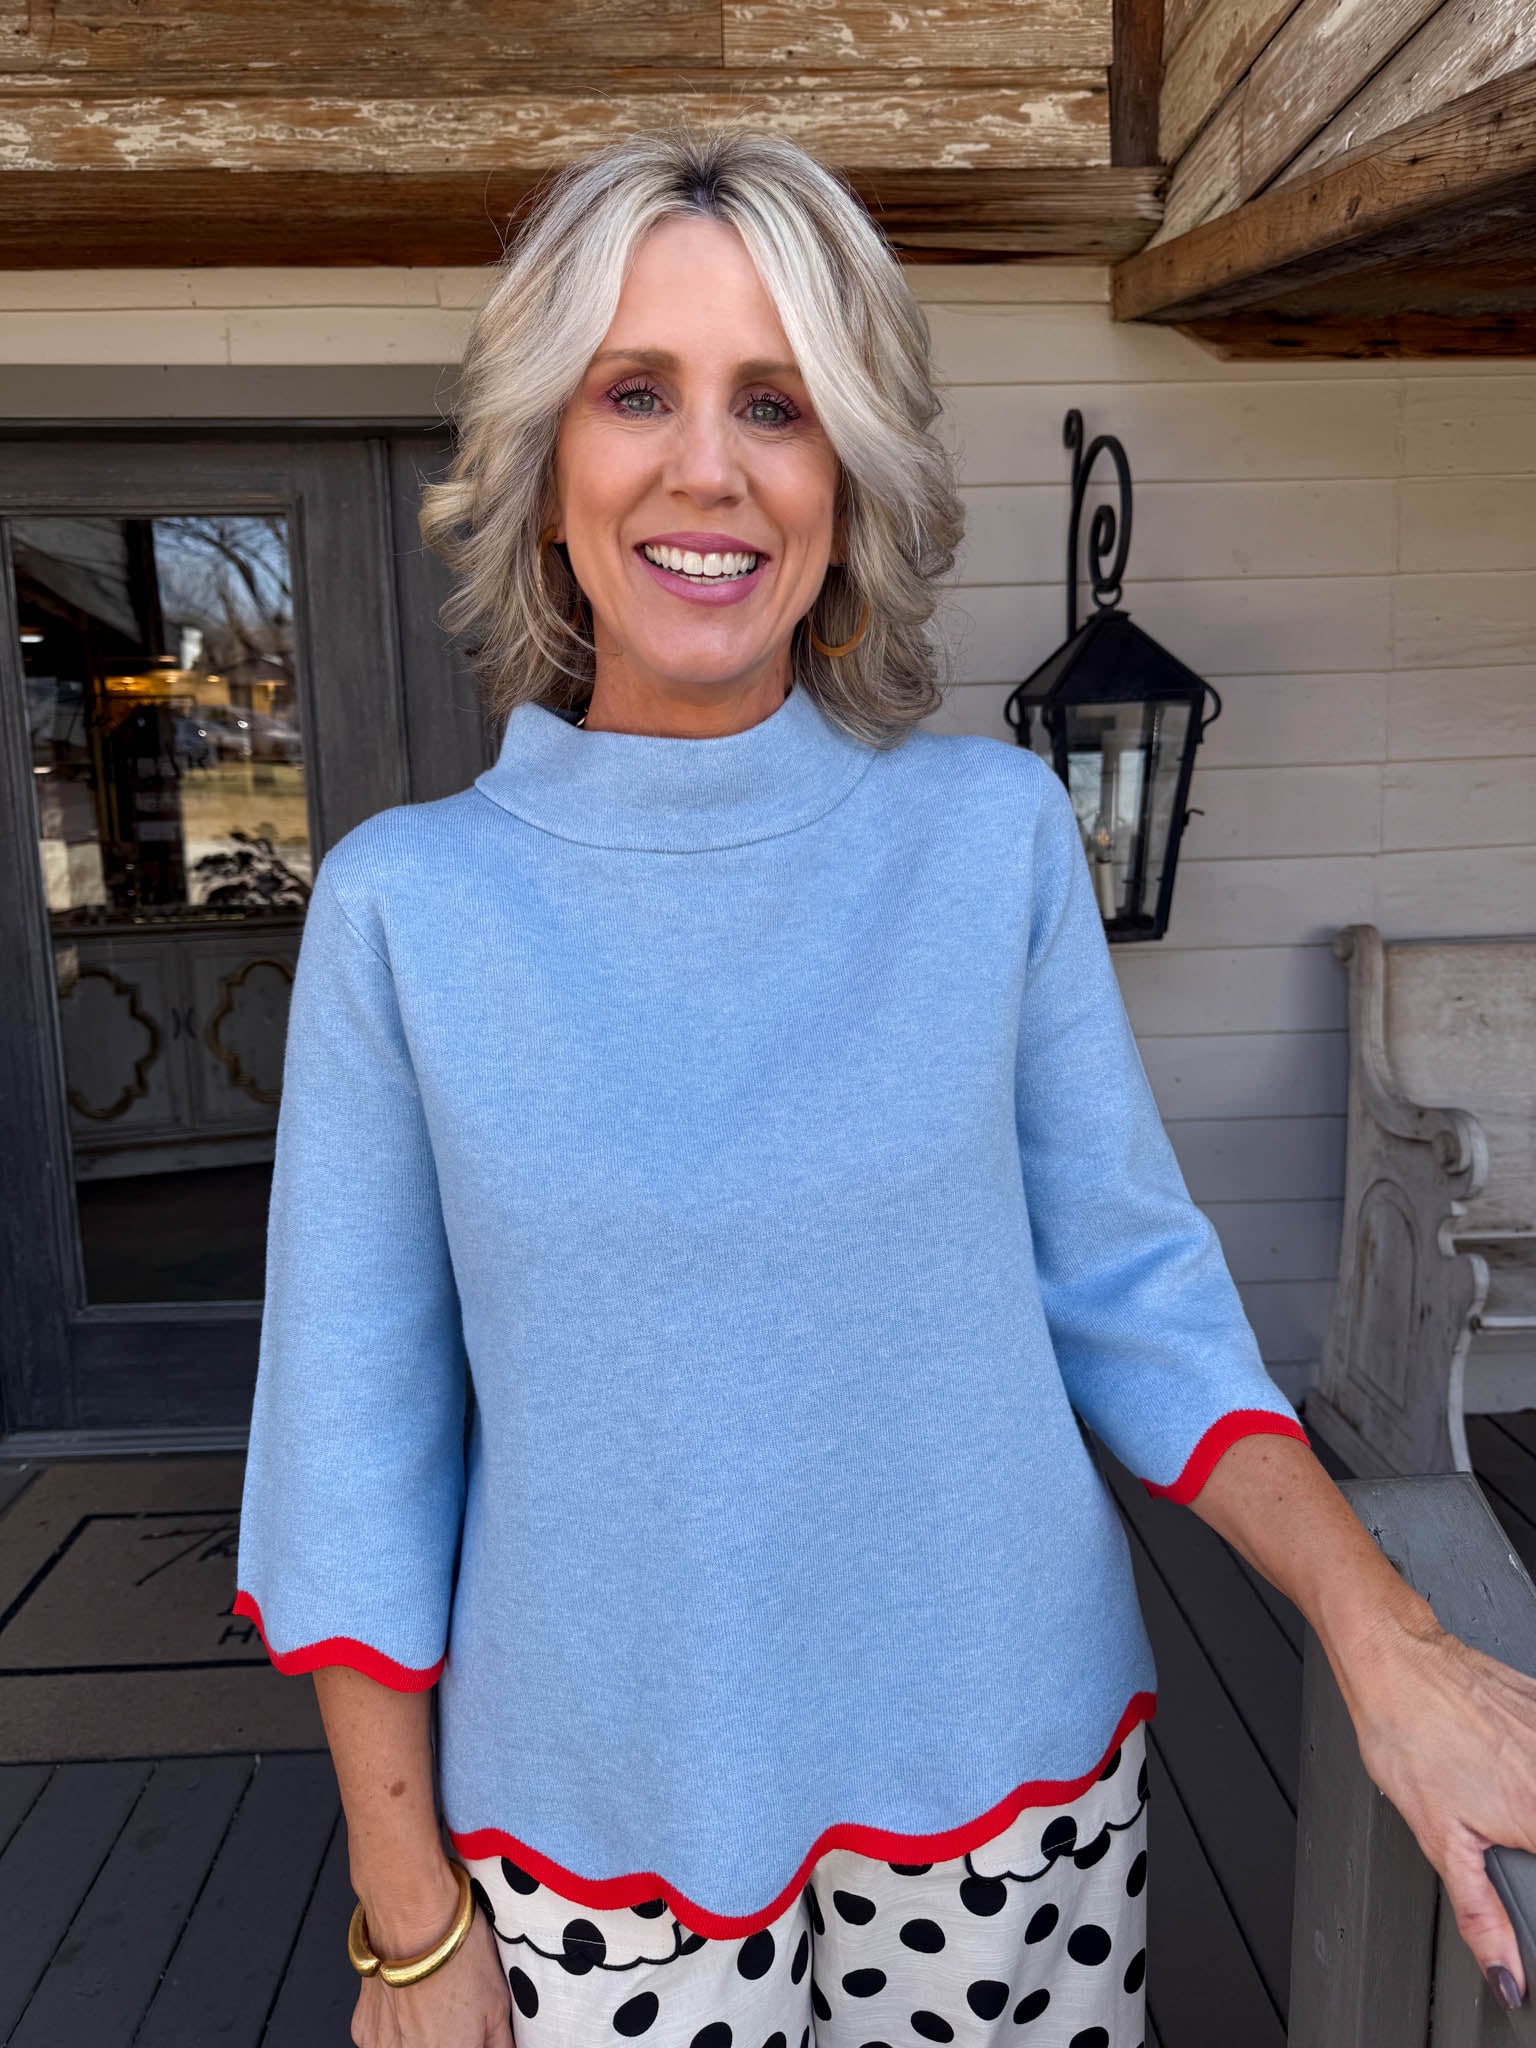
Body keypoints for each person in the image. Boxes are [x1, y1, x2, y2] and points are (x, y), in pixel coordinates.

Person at [234, 128, 1536, 2048]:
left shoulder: (989, 840)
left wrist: (1386, 1632)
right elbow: (352, 1452)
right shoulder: (405, 912)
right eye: (636, 393)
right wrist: (407, 1920)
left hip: (1009, 1807)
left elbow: (1140, 1295)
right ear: (545, 470)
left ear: (845, 485)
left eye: (776, 404)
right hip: (592, 1839)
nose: (708, 468)